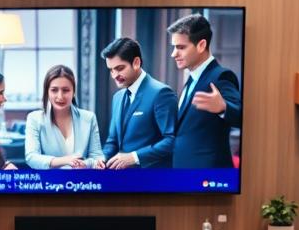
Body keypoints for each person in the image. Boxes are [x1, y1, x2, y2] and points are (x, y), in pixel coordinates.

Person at [167, 14, 242, 169]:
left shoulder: (221, 76)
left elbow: (241, 115)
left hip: (208, 178)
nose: (173, 54)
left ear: (201, 45)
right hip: (184, 175)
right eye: (173, 47)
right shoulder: (192, 79)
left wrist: (223, 108)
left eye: (181, 47)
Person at [98, 37, 176, 169]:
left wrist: (134, 157)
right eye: (111, 70)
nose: (114, 75)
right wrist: (101, 158)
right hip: (123, 183)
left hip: (153, 182)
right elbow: (112, 141)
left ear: (136, 62)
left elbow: (172, 140)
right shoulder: (117, 97)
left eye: (119, 68)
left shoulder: (161, 94)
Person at [24, 65, 105, 169]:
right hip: (50, 183)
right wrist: (66, 160)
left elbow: (97, 156)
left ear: (73, 92)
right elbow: (31, 157)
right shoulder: (34, 119)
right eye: (54, 90)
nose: (60, 96)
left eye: (66, 90)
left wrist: (86, 164)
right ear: (47, 92)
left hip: (82, 182)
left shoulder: (89, 118)